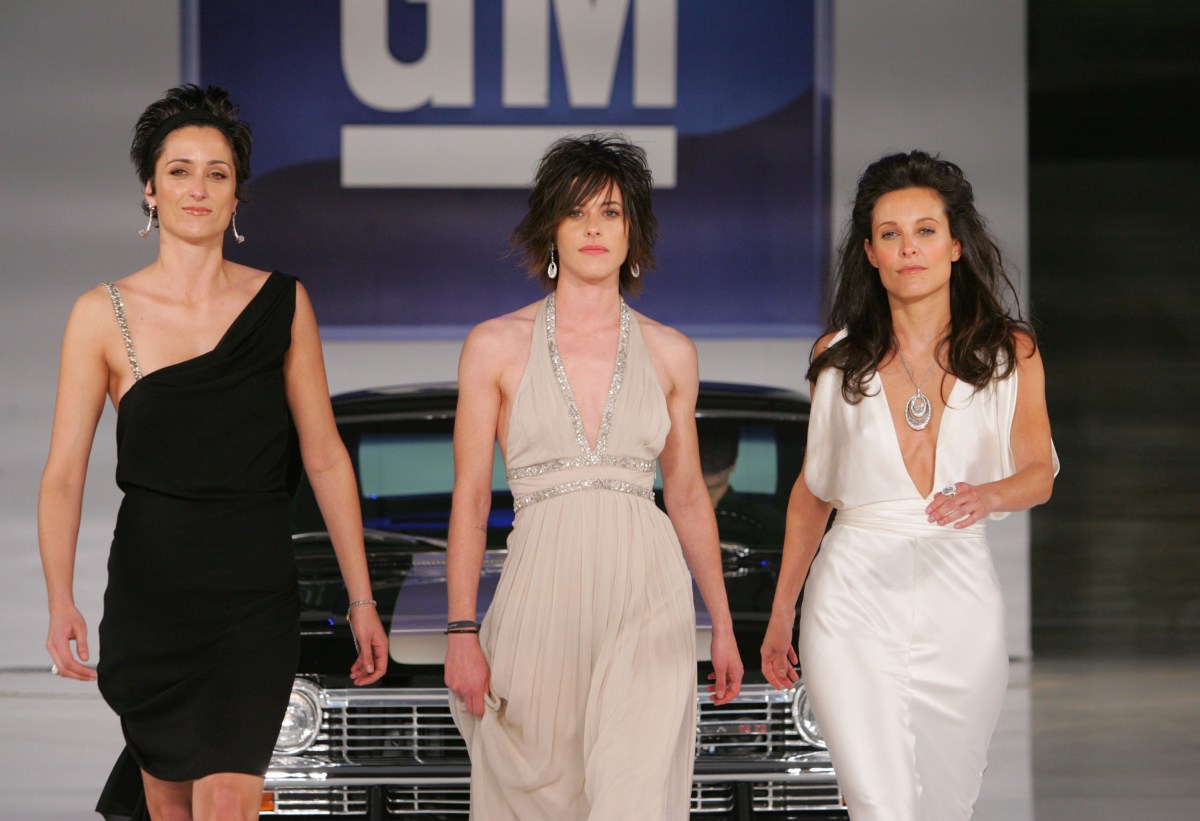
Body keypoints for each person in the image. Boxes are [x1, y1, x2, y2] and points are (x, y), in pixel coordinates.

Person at [37, 84, 388, 821]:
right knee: (170, 810)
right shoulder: (101, 314)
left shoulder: (284, 304)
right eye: (179, 170)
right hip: (152, 597)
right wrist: (59, 596)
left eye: (217, 173)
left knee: (229, 802)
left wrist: (361, 597)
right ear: (150, 190)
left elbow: (324, 456)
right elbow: (64, 473)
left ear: (237, 199)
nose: (198, 188)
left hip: (252, 595)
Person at [444, 133, 743, 819]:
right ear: (550, 227)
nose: (594, 228)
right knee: (547, 795)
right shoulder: (493, 345)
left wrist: (721, 622)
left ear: (633, 232)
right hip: (538, 600)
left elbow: (689, 492)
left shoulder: (672, 352)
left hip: (648, 596)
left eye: (610, 212)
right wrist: (462, 627)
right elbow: (470, 494)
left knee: (630, 797)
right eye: (577, 212)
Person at [759, 150, 1058, 820]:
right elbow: (814, 493)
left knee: (947, 804)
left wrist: (988, 495)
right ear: (869, 252)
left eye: (925, 230)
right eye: (889, 234)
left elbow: (1039, 471)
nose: (908, 248)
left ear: (956, 244)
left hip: (961, 597)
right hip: (851, 596)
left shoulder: (1011, 352)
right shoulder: (835, 358)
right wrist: (784, 613)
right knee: (879, 801)